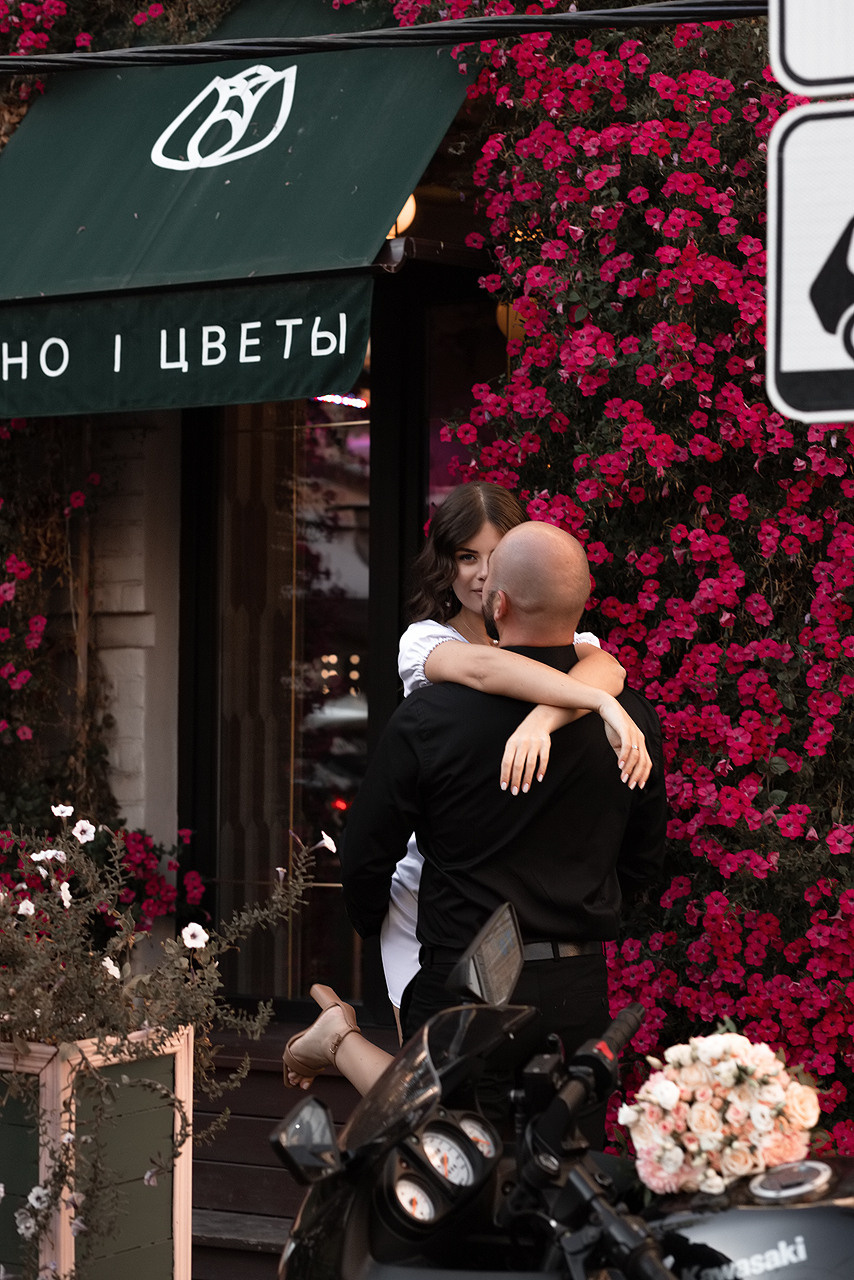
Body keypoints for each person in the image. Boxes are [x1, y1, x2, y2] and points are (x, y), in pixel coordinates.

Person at [283, 486, 651, 1088]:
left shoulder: (578, 655)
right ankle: (341, 1040)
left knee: (431, 1100)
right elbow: (487, 670)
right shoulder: (430, 643)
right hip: (431, 882)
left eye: (495, 555)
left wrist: (543, 721)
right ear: (446, 564)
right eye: (466, 557)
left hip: (511, 903)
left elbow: (608, 669)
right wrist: (597, 706)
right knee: (426, 1093)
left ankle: (337, 1039)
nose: (481, 574)